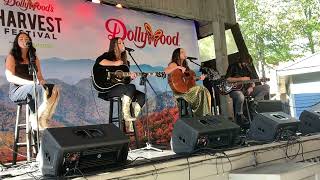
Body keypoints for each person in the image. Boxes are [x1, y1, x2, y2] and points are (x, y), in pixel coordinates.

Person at [5, 32, 60, 131]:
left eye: (26, 39)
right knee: (37, 88)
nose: (24, 40)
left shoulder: (34, 58)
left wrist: (44, 84)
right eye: (21, 38)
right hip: (17, 90)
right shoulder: (12, 56)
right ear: (16, 42)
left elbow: (39, 77)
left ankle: (43, 117)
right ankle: (35, 119)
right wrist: (31, 83)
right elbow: (10, 77)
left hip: (33, 87)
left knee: (53, 89)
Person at [94, 37, 145, 131]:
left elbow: (125, 82)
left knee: (141, 96)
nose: (123, 44)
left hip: (121, 89)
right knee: (131, 87)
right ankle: (126, 114)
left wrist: (130, 77)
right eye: (120, 43)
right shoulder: (108, 55)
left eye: (123, 43)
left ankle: (129, 121)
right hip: (108, 89)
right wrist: (114, 63)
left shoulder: (125, 63)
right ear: (114, 45)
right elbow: (99, 62)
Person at [225, 54, 270, 128]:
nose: (246, 64)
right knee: (240, 97)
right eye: (245, 63)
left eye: (247, 63)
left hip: (246, 89)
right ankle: (239, 115)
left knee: (266, 87)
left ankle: (254, 104)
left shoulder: (248, 68)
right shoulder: (233, 66)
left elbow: (252, 81)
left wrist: (251, 87)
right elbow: (227, 79)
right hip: (234, 90)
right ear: (241, 61)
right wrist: (241, 79)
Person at [165, 48, 211, 117]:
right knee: (199, 89)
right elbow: (166, 71)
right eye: (182, 52)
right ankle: (199, 114)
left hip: (187, 90)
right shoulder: (173, 64)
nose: (185, 54)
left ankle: (205, 113)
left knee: (205, 90)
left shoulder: (186, 67)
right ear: (177, 55)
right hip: (180, 93)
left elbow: (190, 78)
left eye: (185, 52)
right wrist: (177, 67)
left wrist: (199, 78)